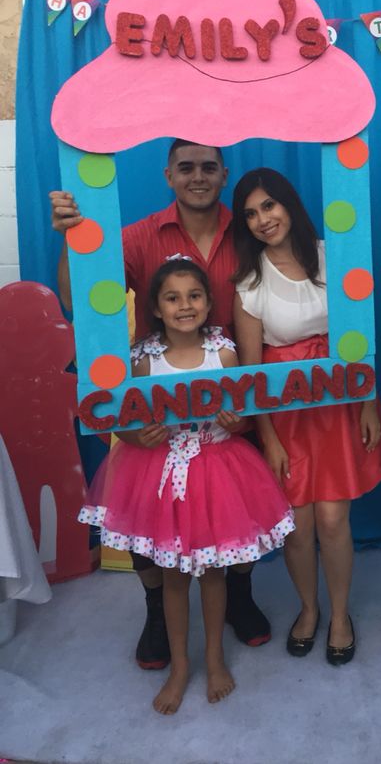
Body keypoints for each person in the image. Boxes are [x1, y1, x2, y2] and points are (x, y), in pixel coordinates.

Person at [49, 140, 270, 671]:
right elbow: (80, 297)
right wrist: (71, 237)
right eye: (187, 167)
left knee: (236, 508)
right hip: (156, 409)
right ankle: (156, 609)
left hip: (231, 394)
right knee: (148, 519)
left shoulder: (248, 232)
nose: (198, 176)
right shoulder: (140, 235)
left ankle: (238, 596)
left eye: (209, 167)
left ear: (224, 175)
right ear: (168, 174)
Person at [78, 258, 294, 714]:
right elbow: (126, 421)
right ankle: (180, 666)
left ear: (209, 302)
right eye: (172, 298)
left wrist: (236, 425)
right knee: (173, 580)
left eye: (194, 296)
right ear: (155, 307)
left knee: (213, 573)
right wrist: (140, 435)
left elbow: (240, 416)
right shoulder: (143, 360)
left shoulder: (225, 352)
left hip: (218, 472)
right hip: (158, 477)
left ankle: (214, 658)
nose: (184, 306)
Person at [232, 168, 381, 666]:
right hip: (286, 416)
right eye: (251, 213)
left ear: (288, 205)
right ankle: (308, 608)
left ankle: (340, 615)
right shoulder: (250, 282)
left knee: (332, 517)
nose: (262, 219)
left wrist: (367, 403)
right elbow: (253, 375)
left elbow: (359, 336)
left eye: (269, 206)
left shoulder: (333, 256)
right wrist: (270, 440)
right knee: (298, 526)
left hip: (340, 404)